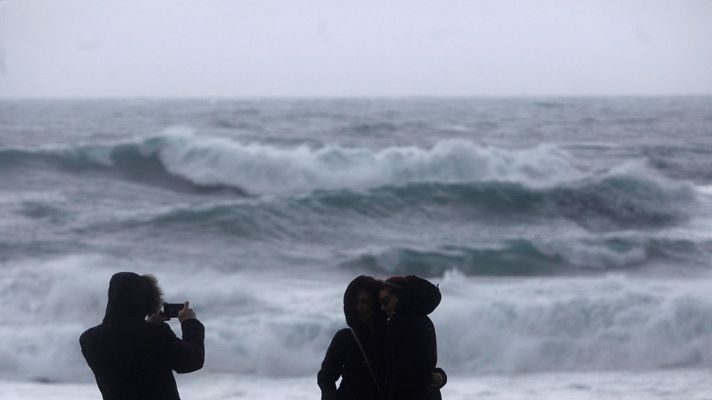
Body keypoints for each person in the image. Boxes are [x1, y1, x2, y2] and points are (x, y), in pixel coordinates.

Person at [80, 272, 205, 400]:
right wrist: (190, 323)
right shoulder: (156, 334)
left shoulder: (89, 340)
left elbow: (127, 347)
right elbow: (192, 361)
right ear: (146, 300)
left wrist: (149, 324)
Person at [318, 275, 387, 400]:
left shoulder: (392, 334)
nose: (359, 307)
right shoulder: (345, 338)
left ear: (377, 303)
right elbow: (325, 377)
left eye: (365, 302)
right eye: (355, 302)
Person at [380, 275, 443, 400]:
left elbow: (397, 371)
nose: (382, 308)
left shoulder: (398, 324)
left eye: (386, 301)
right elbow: (425, 367)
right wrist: (441, 376)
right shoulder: (425, 321)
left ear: (400, 297)